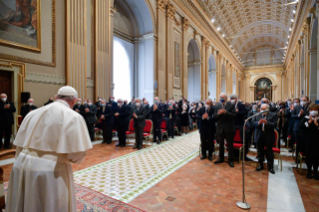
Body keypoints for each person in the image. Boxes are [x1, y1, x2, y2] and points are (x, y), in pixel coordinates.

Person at [6, 86, 92, 212]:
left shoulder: (32, 113)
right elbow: (77, 154)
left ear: (57, 97)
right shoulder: (73, 116)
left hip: (21, 165)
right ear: (74, 101)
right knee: (49, 205)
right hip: (49, 170)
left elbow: (19, 144)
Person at [252, 103, 277, 174]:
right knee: (260, 152)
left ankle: (270, 167)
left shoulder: (273, 115)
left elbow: (275, 124)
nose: (263, 110)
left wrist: (267, 123)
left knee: (269, 153)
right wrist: (258, 123)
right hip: (259, 135)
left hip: (268, 136)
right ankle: (260, 165)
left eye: (264, 109)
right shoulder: (257, 114)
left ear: (268, 109)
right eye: (262, 109)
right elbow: (252, 123)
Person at [214, 93, 236, 167]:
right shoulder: (218, 105)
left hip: (228, 127)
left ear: (226, 98)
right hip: (220, 128)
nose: (221, 98)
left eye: (223, 97)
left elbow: (233, 116)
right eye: (220, 97)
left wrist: (226, 112)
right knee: (220, 144)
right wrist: (218, 113)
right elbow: (215, 116)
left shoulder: (231, 105)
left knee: (230, 145)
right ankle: (221, 158)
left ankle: (230, 160)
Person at [299, 103, 319, 180]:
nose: (313, 111)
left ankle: (315, 172)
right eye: (312, 110)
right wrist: (309, 122)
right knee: (309, 157)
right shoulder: (305, 118)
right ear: (309, 110)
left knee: (317, 157)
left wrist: (317, 124)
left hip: (317, 141)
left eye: (315, 110)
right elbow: (301, 127)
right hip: (308, 140)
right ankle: (309, 171)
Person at [230, 94, 248, 160]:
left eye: (233, 98)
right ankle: (234, 154)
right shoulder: (231, 105)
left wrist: (238, 112)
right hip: (233, 125)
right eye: (231, 98)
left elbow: (244, 113)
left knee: (241, 139)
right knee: (232, 139)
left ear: (236, 98)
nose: (232, 100)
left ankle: (243, 155)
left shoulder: (241, 105)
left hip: (240, 124)